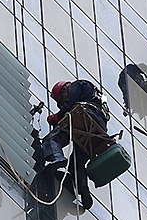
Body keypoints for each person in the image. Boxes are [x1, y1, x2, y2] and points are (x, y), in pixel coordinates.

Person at [45, 79, 111, 211]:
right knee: (76, 162)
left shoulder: (79, 85)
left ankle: (57, 158)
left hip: (85, 115)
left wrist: (57, 117)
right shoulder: (97, 96)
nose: (61, 104)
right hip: (97, 129)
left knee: (51, 140)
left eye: (60, 100)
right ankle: (83, 189)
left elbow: (69, 104)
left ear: (65, 89)